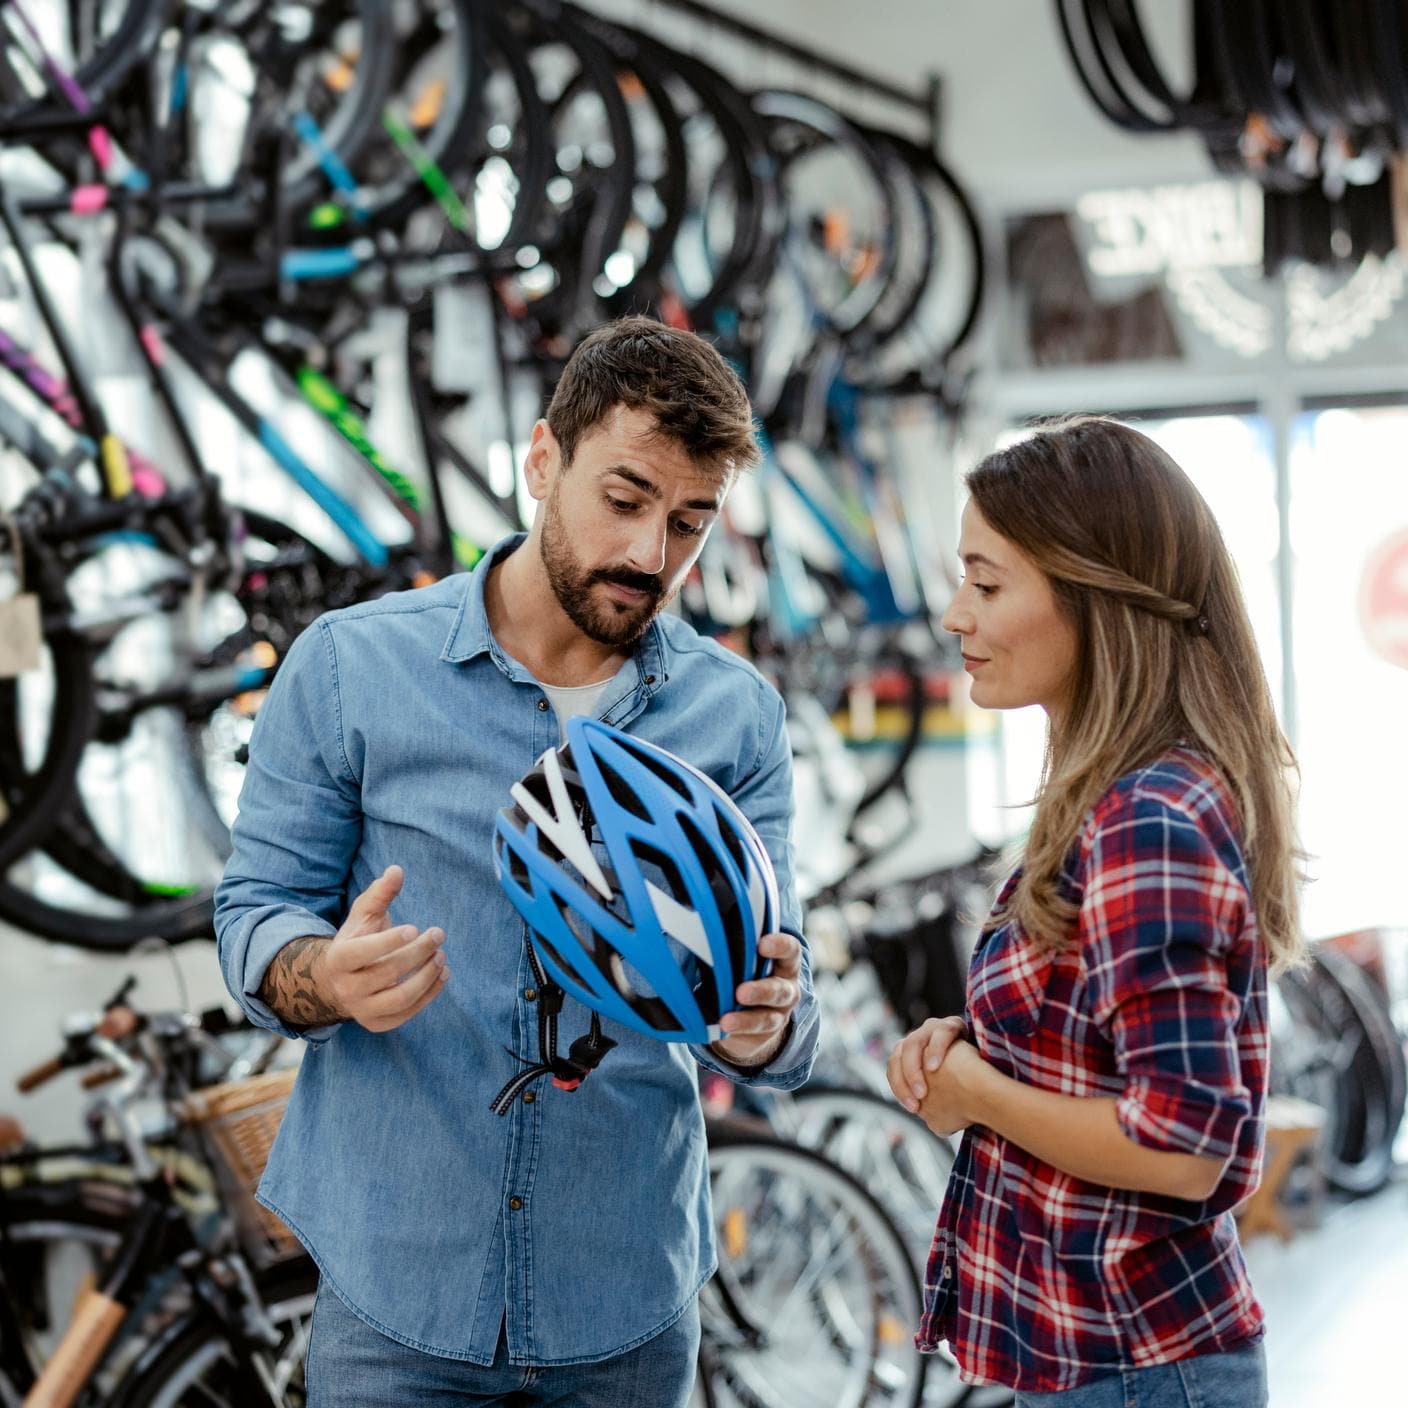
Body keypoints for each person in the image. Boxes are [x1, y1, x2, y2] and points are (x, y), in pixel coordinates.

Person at [215, 315, 819, 1408]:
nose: (651, 555)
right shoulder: (351, 669)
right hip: (396, 1290)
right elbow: (255, 910)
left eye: (690, 522)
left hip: (623, 1297)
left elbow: (783, 993)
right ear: (542, 460)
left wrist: (766, 1021)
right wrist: (321, 975)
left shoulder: (737, 717)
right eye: (625, 499)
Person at [886, 417, 1301, 1407]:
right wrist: (983, 1045)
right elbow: (1099, 1043)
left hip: (1139, 1369)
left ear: (1090, 596)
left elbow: (1181, 1146)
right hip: (1104, 1360)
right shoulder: (1108, 797)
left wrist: (979, 1094)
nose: (955, 614)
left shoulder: (1145, 818)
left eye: (987, 584)